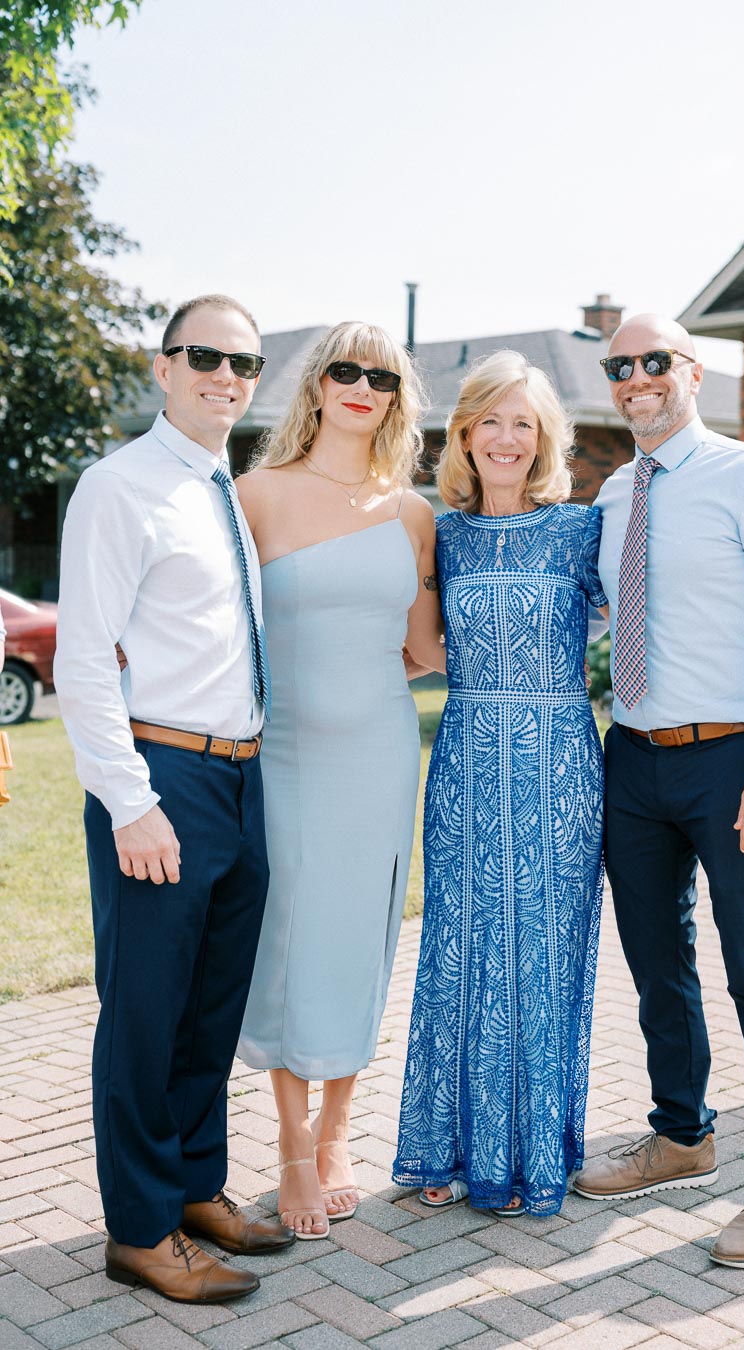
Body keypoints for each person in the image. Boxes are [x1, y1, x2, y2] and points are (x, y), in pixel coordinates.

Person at [575, 315, 744, 1270]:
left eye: (654, 362)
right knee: (655, 959)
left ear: (690, 371)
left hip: (735, 760)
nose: (636, 379)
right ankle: (681, 1135)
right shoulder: (611, 491)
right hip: (634, 757)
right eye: (619, 367)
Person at [54, 295, 294, 1304]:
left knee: (209, 1007)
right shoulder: (121, 488)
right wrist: (129, 801)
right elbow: (82, 662)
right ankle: (142, 1231)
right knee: (147, 1014)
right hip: (163, 781)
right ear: (163, 367)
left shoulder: (222, 492)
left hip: (240, 776)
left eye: (244, 362)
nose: (226, 375)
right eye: (205, 355)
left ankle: (196, 1187)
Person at [236, 322, 442, 1239]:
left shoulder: (411, 513)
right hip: (282, 755)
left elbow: (426, 650)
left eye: (382, 376)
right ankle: (286, 1144)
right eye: (346, 371)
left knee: (362, 939)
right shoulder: (254, 495)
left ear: (398, 397)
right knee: (286, 937)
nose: (363, 386)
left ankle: (336, 1133)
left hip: (382, 756)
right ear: (317, 386)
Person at [392, 351, 606, 1217]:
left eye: (524, 422)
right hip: (469, 749)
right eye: (491, 421)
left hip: (559, 758)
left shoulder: (581, 529)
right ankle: (446, 1147)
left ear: (545, 435)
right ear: (466, 433)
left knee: (543, 952)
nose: (507, 438)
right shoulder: (439, 533)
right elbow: (420, 647)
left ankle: (527, 1156)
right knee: (461, 944)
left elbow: (640, 623)